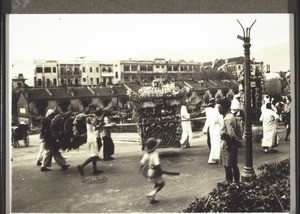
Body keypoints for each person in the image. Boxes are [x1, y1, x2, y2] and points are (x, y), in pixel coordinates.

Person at [218, 98, 240, 184]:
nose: (218, 109)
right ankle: (237, 183)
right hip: (232, 144)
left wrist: (231, 143)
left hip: (228, 144)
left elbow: (230, 133)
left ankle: (229, 184)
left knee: (227, 166)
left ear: (225, 108)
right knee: (234, 165)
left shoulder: (226, 119)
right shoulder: (232, 116)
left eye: (220, 108)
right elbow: (237, 130)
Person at [77, 105, 103, 176]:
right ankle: (81, 166)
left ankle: (95, 169)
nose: (94, 111)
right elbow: (96, 127)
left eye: (94, 109)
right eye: (93, 109)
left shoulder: (92, 117)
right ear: (90, 109)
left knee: (94, 155)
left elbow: (98, 123)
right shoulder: (88, 117)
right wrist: (101, 123)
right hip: (92, 138)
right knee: (94, 156)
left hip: (93, 137)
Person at [139, 138, 165, 204]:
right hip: (155, 172)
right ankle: (151, 194)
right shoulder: (155, 154)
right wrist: (160, 171)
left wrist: (141, 169)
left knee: (157, 184)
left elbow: (142, 163)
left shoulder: (146, 154)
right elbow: (157, 164)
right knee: (162, 184)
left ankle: (152, 199)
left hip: (149, 173)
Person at [203, 100, 223, 164]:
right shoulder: (217, 112)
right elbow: (221, 122)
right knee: (217, 142)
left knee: (214, 142)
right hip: (216, 128)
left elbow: (207, 121)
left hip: (213, 129)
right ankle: (217, 157)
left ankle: (215, 157)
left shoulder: (212, 112)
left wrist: (205, 129)